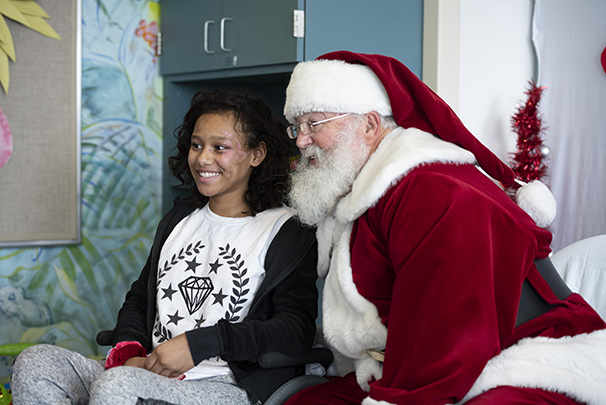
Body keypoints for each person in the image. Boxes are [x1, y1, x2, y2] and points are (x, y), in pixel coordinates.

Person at [283, 51, 606, 404]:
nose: (301, 141)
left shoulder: (434, 190)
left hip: (532, 357)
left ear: (370, 125)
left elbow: (451, 328)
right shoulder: (367, 189)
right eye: (297, 128)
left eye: (314, 124)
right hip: (429, 362)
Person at [11, 89, 318, 405]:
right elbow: (141, 297)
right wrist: (129, 350)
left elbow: (294, 329)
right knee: (38, 363)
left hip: (223, 386)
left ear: (257, 154)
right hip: (144, 375)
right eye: (196, 145)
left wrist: (199, 344)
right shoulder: (180, 218)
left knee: (119, 388)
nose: (203, 158)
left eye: (220, 147)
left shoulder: (287, 230)